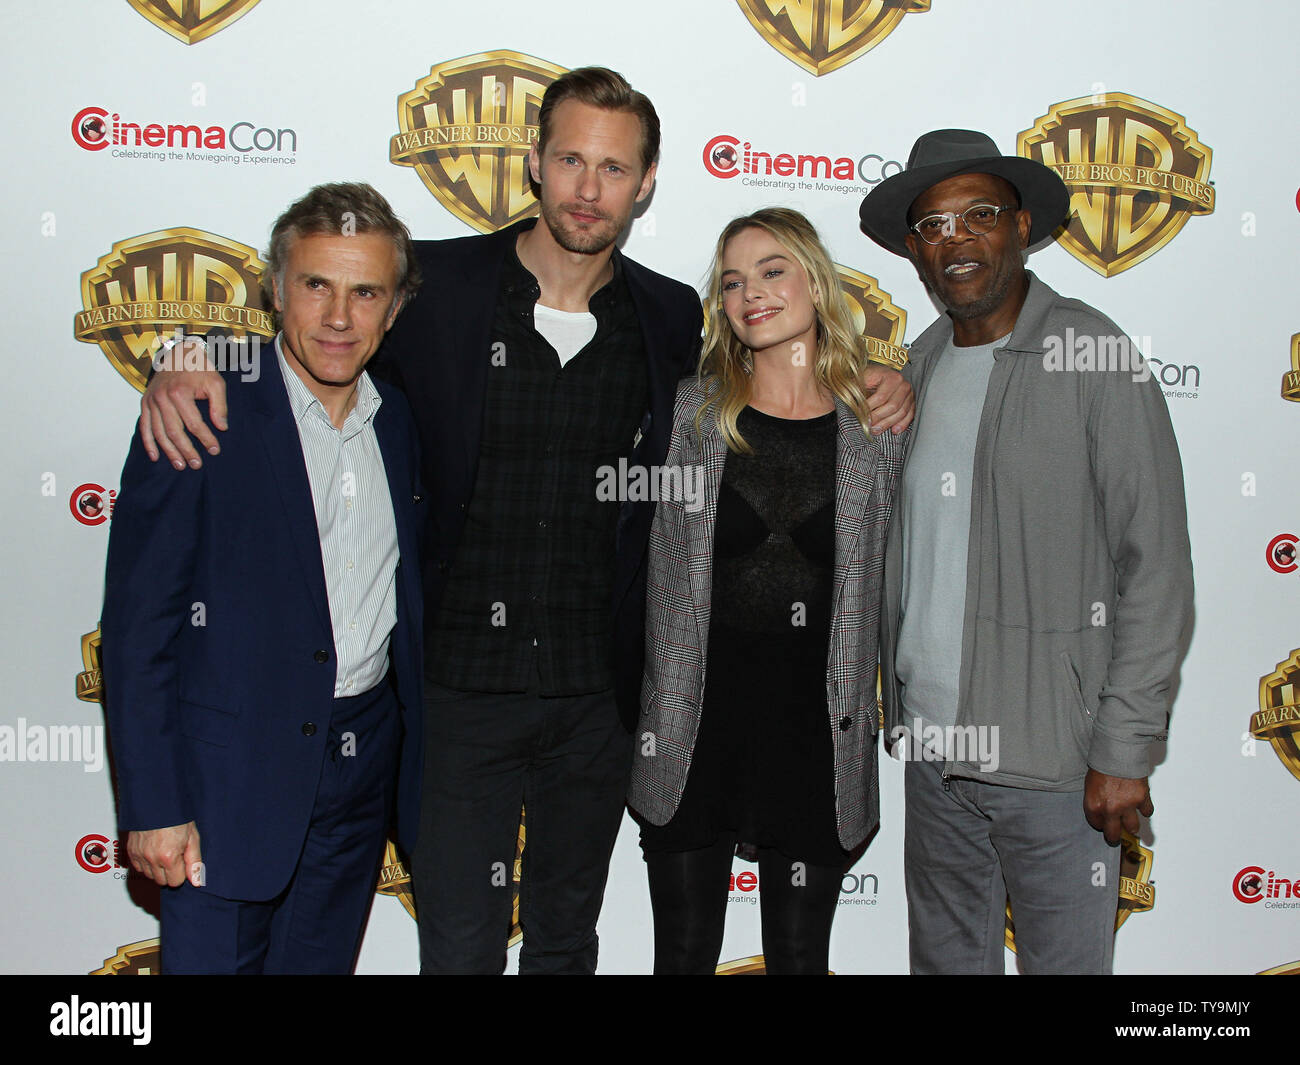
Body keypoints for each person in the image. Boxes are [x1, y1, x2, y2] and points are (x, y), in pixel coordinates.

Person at [134, 68, 915, 975]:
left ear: (647, 181)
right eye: (572, 159)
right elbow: (323, 319)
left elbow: (788, 389)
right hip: (457, 697)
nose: (590, 188)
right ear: (535, 163)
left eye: (614, 168)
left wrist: (881, 379)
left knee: (562, 942)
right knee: (459, 949)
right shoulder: (439, 290)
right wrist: (189, 354)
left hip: (598, 704)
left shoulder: (667, 317)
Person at [859, 129, 1194, 974]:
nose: (956, 239)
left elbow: (1156, 568)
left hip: (1055, 765)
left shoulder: (1094, 356)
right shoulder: (919, 365)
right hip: (934, 758)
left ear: (1020, 227)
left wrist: (1123, 749)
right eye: (932, 225)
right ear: (915, 251)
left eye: (979, 214)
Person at [102, 182, 426, 974]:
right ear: (277, 289)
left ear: (394, 306)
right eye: (316, 285)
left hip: (358, 782)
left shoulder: (405, 421)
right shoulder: (202, 408)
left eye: (365, 291)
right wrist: (155, 807)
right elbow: (139, 628)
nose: (339, 316)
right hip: (223, 785)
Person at [629, 208, 907, 974]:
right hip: (695, 724)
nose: (750, 292)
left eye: (772, 270)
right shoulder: (689, 411)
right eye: (731, 282)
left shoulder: (877, 422)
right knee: (681, 956)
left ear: (816, 282)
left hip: (817, 732)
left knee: (798, 957)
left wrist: (891, 380)